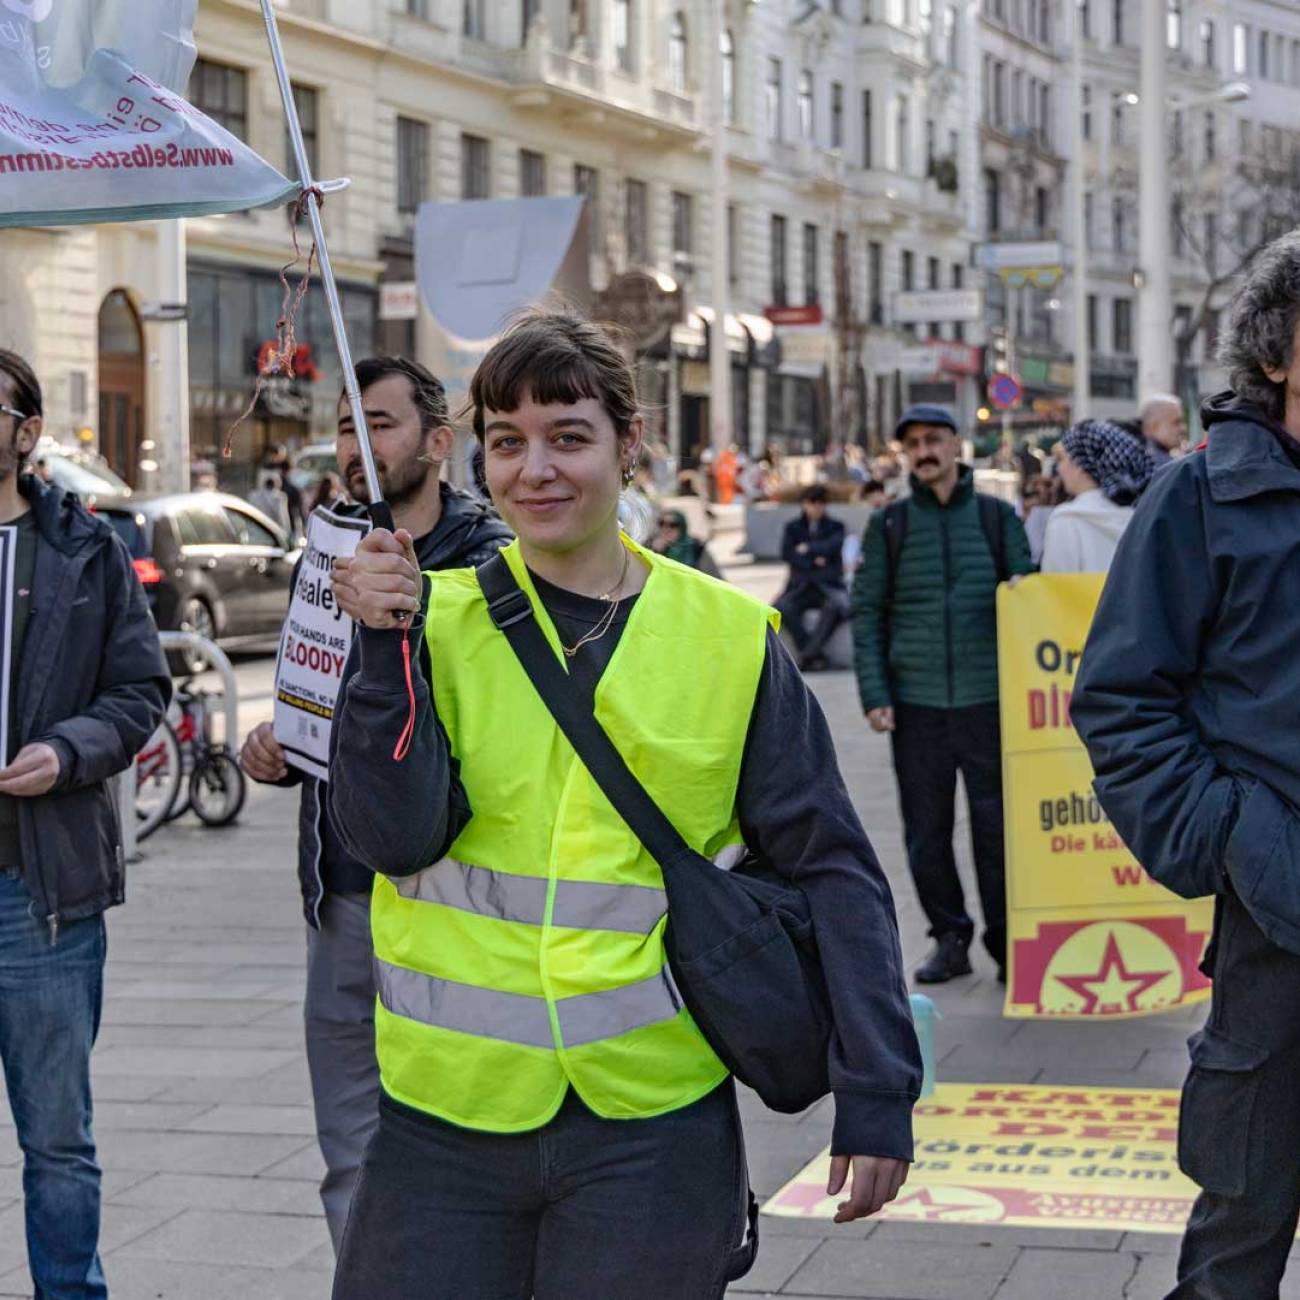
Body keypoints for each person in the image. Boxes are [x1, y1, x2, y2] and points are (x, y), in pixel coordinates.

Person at [325, 309, 920, 1299]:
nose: (535, 471)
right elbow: (391, 836)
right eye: (506, 443)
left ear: (629, 444)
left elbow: (832, 866)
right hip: (444, 1120)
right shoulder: (427, 616)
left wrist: (877, 1083)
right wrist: (381, 654)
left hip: (653, 1123)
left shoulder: (729, 638)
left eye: (568, 437)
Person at [238, 356, 511, 1252]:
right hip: (341, 893)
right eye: (349, 427)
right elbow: (315, 701)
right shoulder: (323, 555)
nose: (359, 447)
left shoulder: (491, 563)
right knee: (349, 1146)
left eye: (380, 424)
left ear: (439, 442)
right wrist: (280, 746)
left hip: (457, 899)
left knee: (468, 1145)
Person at [1072, 232, 1300, 1299]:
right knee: (1236, 1240)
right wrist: (1239, 839)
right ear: (1276, 351)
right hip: (1273, 935)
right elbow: (1122, 703)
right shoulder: (1201, 497)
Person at [0, 350, 170, 1299]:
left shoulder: (84, 551)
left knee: (57, 1141)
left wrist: (67, 752)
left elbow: (140, 690)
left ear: (28, 432)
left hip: (41, 896)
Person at [851, 404, 1034, 984]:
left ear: (957, 445)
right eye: (913, 445)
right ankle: (949, 937)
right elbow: (867, 612)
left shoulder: (998, 518)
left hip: (990, 700)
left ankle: (1009, 941)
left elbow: (1028, 599)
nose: (923, 452)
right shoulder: (889, 525)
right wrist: (875, 692)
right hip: (917, 704)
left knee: (996, 828)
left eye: (933, 440)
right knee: (926, 830)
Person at [1039, 419, 1154, 573]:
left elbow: (1054, 588)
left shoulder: (1067, 521)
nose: (1059, 468)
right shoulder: (1146, 517)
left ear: (1081, 464)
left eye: (1063, 459)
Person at [774, 484, 851, 673]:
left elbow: (833, 547)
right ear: (804, 504)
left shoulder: (836, 526)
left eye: (820, 504)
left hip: (828, 585)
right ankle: (814, 655)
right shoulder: (792, 528)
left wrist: (807, 549)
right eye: (812, 503)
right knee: (784, 608)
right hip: (800, 586)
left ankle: (806, 656)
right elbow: (787, 554)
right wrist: (815, 560)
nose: (816, 508)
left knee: (836, 607)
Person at [651, 508, 722, 577]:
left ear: (682, 527)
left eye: (673, 525)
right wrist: (656, 552)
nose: (666, 528)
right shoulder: (651, 547)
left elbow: (714, 578)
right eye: (662, 523)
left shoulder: (696, 547)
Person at [1139, 393, 1188, 465]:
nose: (1183, 428)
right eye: (1176, 422)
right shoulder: (1157, 465)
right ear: (1153, 427)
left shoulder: (1140, 457)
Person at [248, 468, 292, 536]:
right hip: (273, 534)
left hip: (256, 533)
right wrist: (286, 534)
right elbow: (283, 518)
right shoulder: (279, 497)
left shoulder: (253, 496)